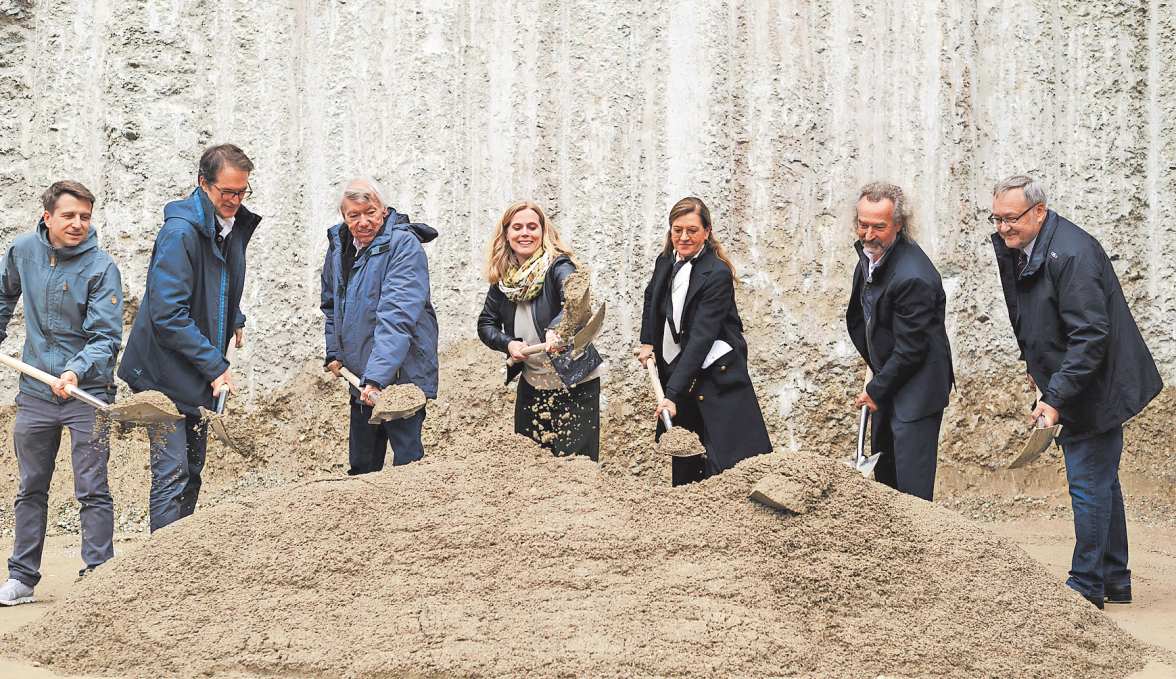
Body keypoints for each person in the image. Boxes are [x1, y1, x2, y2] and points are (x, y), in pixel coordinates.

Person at [989, 174, 1161, 610]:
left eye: (1011, 218)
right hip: (1081, 380)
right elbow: (1040, 317)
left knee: (1088, 483)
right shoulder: (1030, 247)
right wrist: (1037, 368)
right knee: (1102, 483)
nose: (1003, 227)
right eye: (996, 219)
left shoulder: (1072, 254)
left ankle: (1086, 586)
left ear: (1039, 212)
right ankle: (1114, 578)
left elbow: (1089, 337)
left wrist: (1055, 396)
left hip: (1095, 385)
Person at [119, 144, 260, 532]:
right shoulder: (180, 232)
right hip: (164, 371)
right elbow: (168, 313)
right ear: (203, 183)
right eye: (226, 192)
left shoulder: (226, 225)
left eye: (242, 192)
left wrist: (234, 315)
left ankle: (180, 562)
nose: (234, 200)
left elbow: (219, 280)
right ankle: (159, 570)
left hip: (195, 367)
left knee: (192, 470)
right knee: (173, 470)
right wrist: (217, 366)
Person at [0, 181, 122, 606]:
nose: (78, 224)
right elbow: (4, 295)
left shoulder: (101, 267)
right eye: (69, 215)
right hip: (35, 392)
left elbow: (107, 337)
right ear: (47, 216)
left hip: (87, 394)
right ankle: (22, 578)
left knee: (92, 488)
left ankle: (97, 576)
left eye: (85, 217)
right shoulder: (22, 251)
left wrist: (75, 370)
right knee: (31, 486)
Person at [637, 197, 771, 486]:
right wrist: (648, 341)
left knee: (728, 463)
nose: (683, 237)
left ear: (707, 231)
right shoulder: (665, 261)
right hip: (680, 371)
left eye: (692, 230)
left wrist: (670, 395)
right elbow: (652, 298)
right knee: (686, 458)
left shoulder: (717, 274)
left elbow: (701, 338)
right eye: (677, 230)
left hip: (716, 376)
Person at [321, 178, 439, 474]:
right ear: (344, 216)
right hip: (359, 381)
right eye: (354, 215)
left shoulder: (404, 246)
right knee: (362, 468)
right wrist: (334, 351)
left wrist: (376, 377)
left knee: (406, 468)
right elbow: (332, 304)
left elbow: (396, 317)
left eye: (370, 212)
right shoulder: (340, 247)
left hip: (401, 378)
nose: (363, 222)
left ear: (383, 210)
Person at [845, 181, 953, 501]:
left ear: (899, 224)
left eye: (879, 226)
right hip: (890, 379)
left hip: (916, 390)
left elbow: (911, 349)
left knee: (911, 490)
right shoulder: (872, 255)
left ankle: (919, 547)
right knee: (886, 479)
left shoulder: (913, 276)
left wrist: (875, 390)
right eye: (862, 224)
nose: (868, 235)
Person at [477, 201, 602, 461]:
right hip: (533, 384)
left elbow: (574, 298)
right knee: (529, 466)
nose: (525, 233)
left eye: (532, 227)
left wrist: (557, 329)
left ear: (543, 232)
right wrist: (508, 344)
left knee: (574, 468)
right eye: (517, 227)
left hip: (574, 384)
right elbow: (485, 324)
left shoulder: (559, 266)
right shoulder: (504, 280)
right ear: (507, 234)